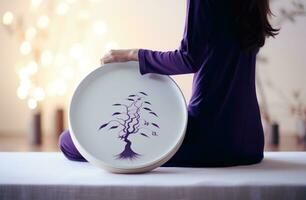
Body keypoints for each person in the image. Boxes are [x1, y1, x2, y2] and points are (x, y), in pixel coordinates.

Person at [59, 0, 279, 167]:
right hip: (250, 142)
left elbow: (189, 58)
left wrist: (132, 54)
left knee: (69, 142)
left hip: (210, 140)